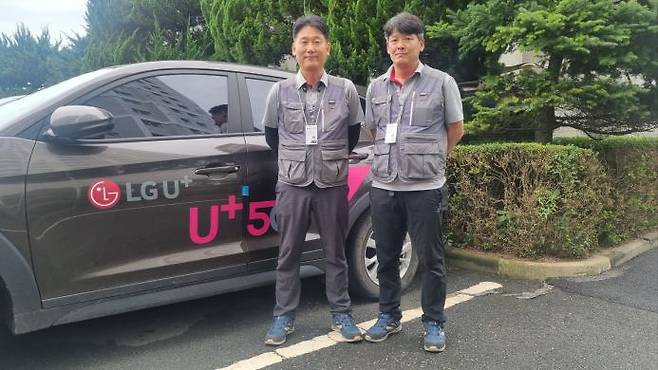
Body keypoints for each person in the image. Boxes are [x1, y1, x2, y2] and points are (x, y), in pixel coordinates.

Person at [363, 12, 464, 353]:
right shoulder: (376, 87)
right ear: (388, 45)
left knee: (431, 258)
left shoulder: (442, 82)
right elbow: (373, 131)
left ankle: (433, 321)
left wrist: (431, 160)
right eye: (394, 39)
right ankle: (388, 316)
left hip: (425, 188)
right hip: (384, 185)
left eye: (407, 38)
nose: (400, 44)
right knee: (387, 256)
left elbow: (456, 130)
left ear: (421, 43)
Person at [261, 15, 364, 346]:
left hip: (331, 183)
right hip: (292, 184)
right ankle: (283, 316)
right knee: (288, 252)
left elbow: (352, 133)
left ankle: (341, 314)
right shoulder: (279, 91)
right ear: (294, 48)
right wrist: (297, 161)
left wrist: (327, 159)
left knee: (335, 252)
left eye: (316, 41)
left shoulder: (345, 89)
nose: (310, 48)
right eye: (304, 42)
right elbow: (271, 136)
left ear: (327, 48)